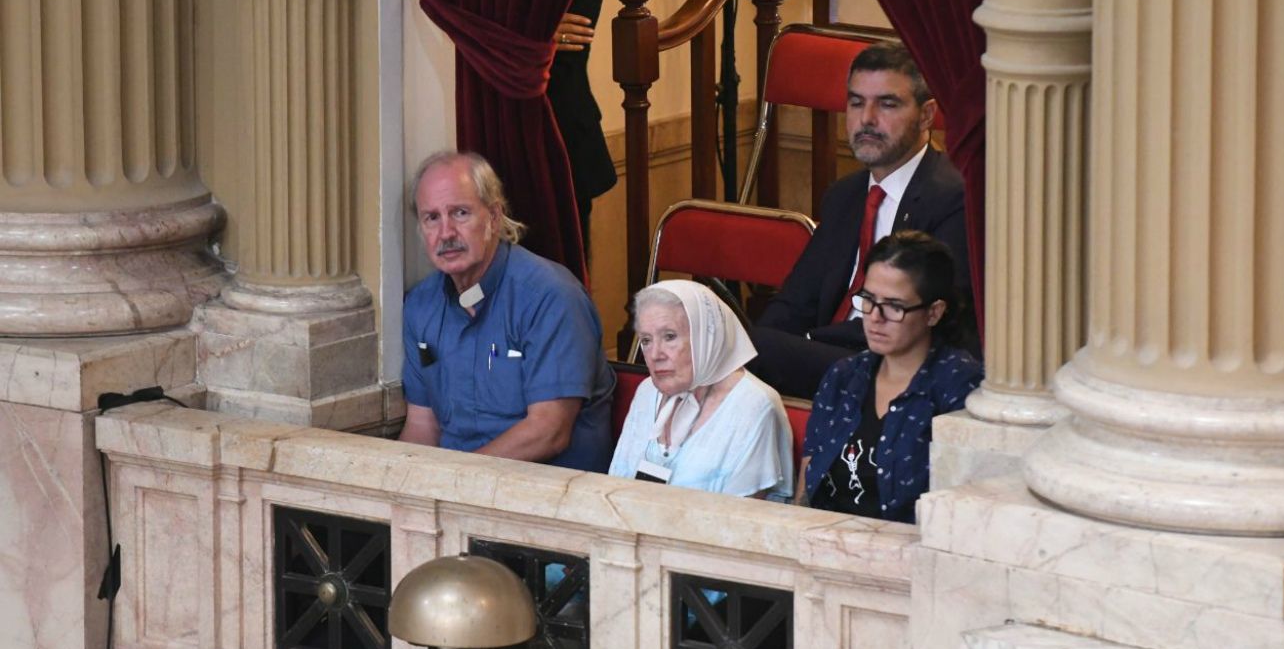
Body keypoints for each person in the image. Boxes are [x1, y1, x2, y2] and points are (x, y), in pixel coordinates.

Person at [749, 42, 975, 399]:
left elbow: (929, 325)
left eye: (887, 104)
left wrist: (787, 346)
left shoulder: (953, 197)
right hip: (835, 357)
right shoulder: (845, 195)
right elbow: (796, 301)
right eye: (856, 102)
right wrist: (745, 352)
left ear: (927, 115)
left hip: (897, 368)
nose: (866, 119)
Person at [399, 151, 615, 472]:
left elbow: (549, 432)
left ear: (494, 217)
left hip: (547, 498)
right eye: (432, 218)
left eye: (460, 213)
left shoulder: (550, 296)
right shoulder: (421, 305)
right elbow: (422, 426)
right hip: (456, 496)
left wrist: (456, 481)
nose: (445, 233)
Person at [797, 231, 982, 523]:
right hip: (826, 544)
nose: (875, 317)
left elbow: (963, 508)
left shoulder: (959, 384)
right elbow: (808, 483)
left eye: (894, 306)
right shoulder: (844, 376)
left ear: (934, 313)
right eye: (869, 300)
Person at [609, 280, 794, 500]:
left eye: (670, 337)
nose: (655, 354)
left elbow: (738, 522)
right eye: (646, 340)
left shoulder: (753, 405)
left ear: (706, 336)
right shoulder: (647, 391)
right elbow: (616, 485)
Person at [549, 0, 617, 257]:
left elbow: (571, 42)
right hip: (498, 132)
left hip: (562, 130)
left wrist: (525, 37)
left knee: (565, 284)